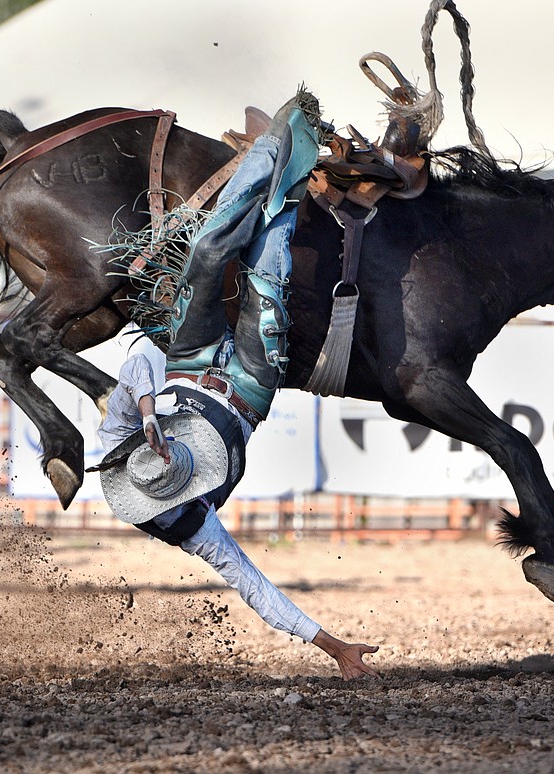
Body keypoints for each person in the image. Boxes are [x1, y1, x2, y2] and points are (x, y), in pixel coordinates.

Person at [95, 91, 379, 679]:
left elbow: (136, 371)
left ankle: (273, 145)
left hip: (186, 363)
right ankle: (294, 166)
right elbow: (252, 583)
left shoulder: (120, 455)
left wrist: (149, 416)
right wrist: (334, 647)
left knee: (205, 251)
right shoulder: (190, 526)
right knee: (268, 273)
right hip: (247, 385)